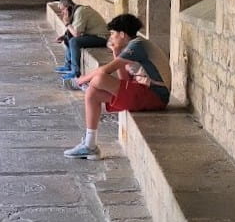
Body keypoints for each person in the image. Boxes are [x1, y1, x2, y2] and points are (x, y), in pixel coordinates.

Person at [64, 13, 171, 160]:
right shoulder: (132, 46)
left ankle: (82, 84)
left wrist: (80, 80)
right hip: (144, 93)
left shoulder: (137, 45)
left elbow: (104, 71)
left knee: (99, 79)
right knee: (92, 94)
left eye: (113, 33)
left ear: (122, 34)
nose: (111, 37)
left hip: (155, 95)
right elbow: (124, 80)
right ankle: (90, 145)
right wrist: (116, 52)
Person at [55, 0, 108, 80]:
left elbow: (76, 34)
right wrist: (64, 36)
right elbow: (74, 30)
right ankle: (68, 66)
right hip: (92, 35)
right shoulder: (75, 12)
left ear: (68, 7)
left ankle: (75, 72)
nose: (62, 13)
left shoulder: (80, 12)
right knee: (67, 37)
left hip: (101, 37)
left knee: (74, 41)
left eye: (63, 10)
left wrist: (67, 23)